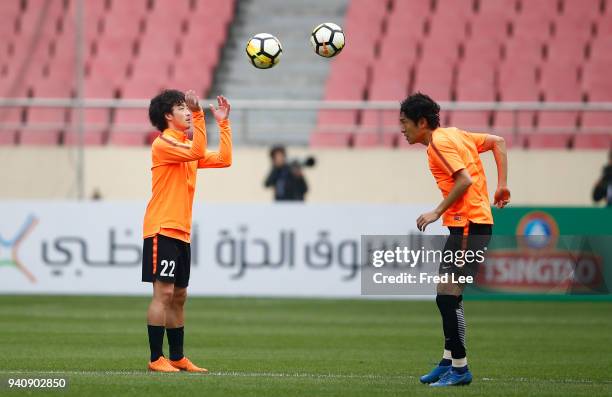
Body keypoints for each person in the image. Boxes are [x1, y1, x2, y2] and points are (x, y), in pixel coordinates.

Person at [399, 93, 510, 387]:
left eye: (405, 123)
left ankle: (460, 368)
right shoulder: (456, 135)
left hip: (467, 225)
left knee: (446, 295)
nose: (402, 129)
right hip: (471, 224)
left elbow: (464, 180)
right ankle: (449, 360)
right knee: (450, 295)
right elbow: (498, 141)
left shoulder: (439, 143)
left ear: (421, 122)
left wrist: (436, 211)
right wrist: (501, 186)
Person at [142, 89, 232, 372]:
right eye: (181, 108)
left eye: (187, 108)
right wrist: (199, 113)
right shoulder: (164, 144)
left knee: (179, 296)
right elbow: (195, 150)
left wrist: (223, 123)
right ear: (168, 115)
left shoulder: (183, 146)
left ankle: (178, 356)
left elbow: (224, 159)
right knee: (163, 294)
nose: (186, 112)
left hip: (181, 231)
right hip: (162, 228)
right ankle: (157, 358)